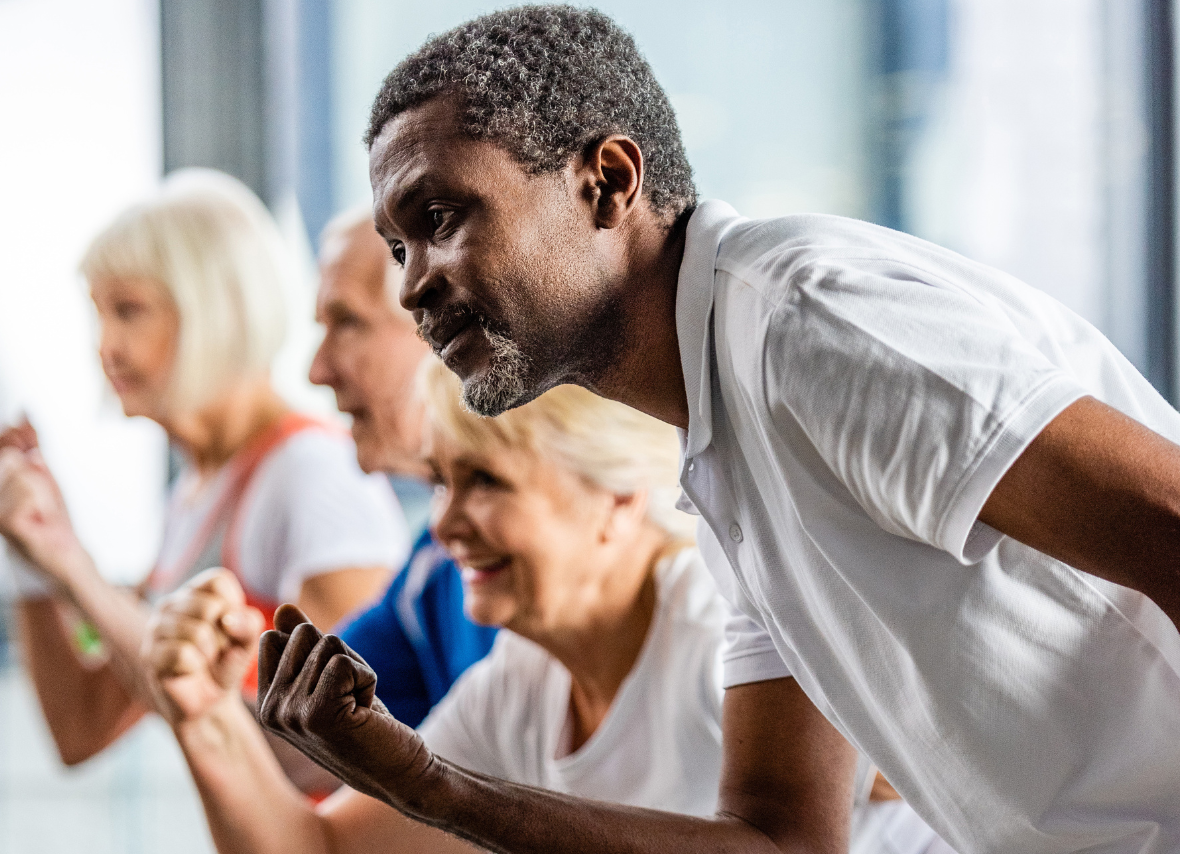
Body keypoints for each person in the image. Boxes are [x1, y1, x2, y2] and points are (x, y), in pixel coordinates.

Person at [252, 7, 1180, 854]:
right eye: (398, 247)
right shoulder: (724, 453)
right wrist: (427, 787)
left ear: (607, 182)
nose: (412, 283)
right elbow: (779, 842)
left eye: (441, 217)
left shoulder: (808, 330)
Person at [146, 359, 942, 854]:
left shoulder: (721, 634)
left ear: (620, 500)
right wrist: (205, 712)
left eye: (486, 481)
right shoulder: (524, 685)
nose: (447, 525)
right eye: (442, 483)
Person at [0, 169, 408, 768]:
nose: (105, 347)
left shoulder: (314, 473)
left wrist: (69, 562)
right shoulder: (195, 496)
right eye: (100, 314)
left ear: (214, 311)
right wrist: (33, 558)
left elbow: (344, 756)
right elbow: (82, 727)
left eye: (130, 311)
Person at [309, 209, 498, 728]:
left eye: (347, 322)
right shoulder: (431, 563)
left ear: (446, 330)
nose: (316, 370)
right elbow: (308, 730)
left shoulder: (533, 547)